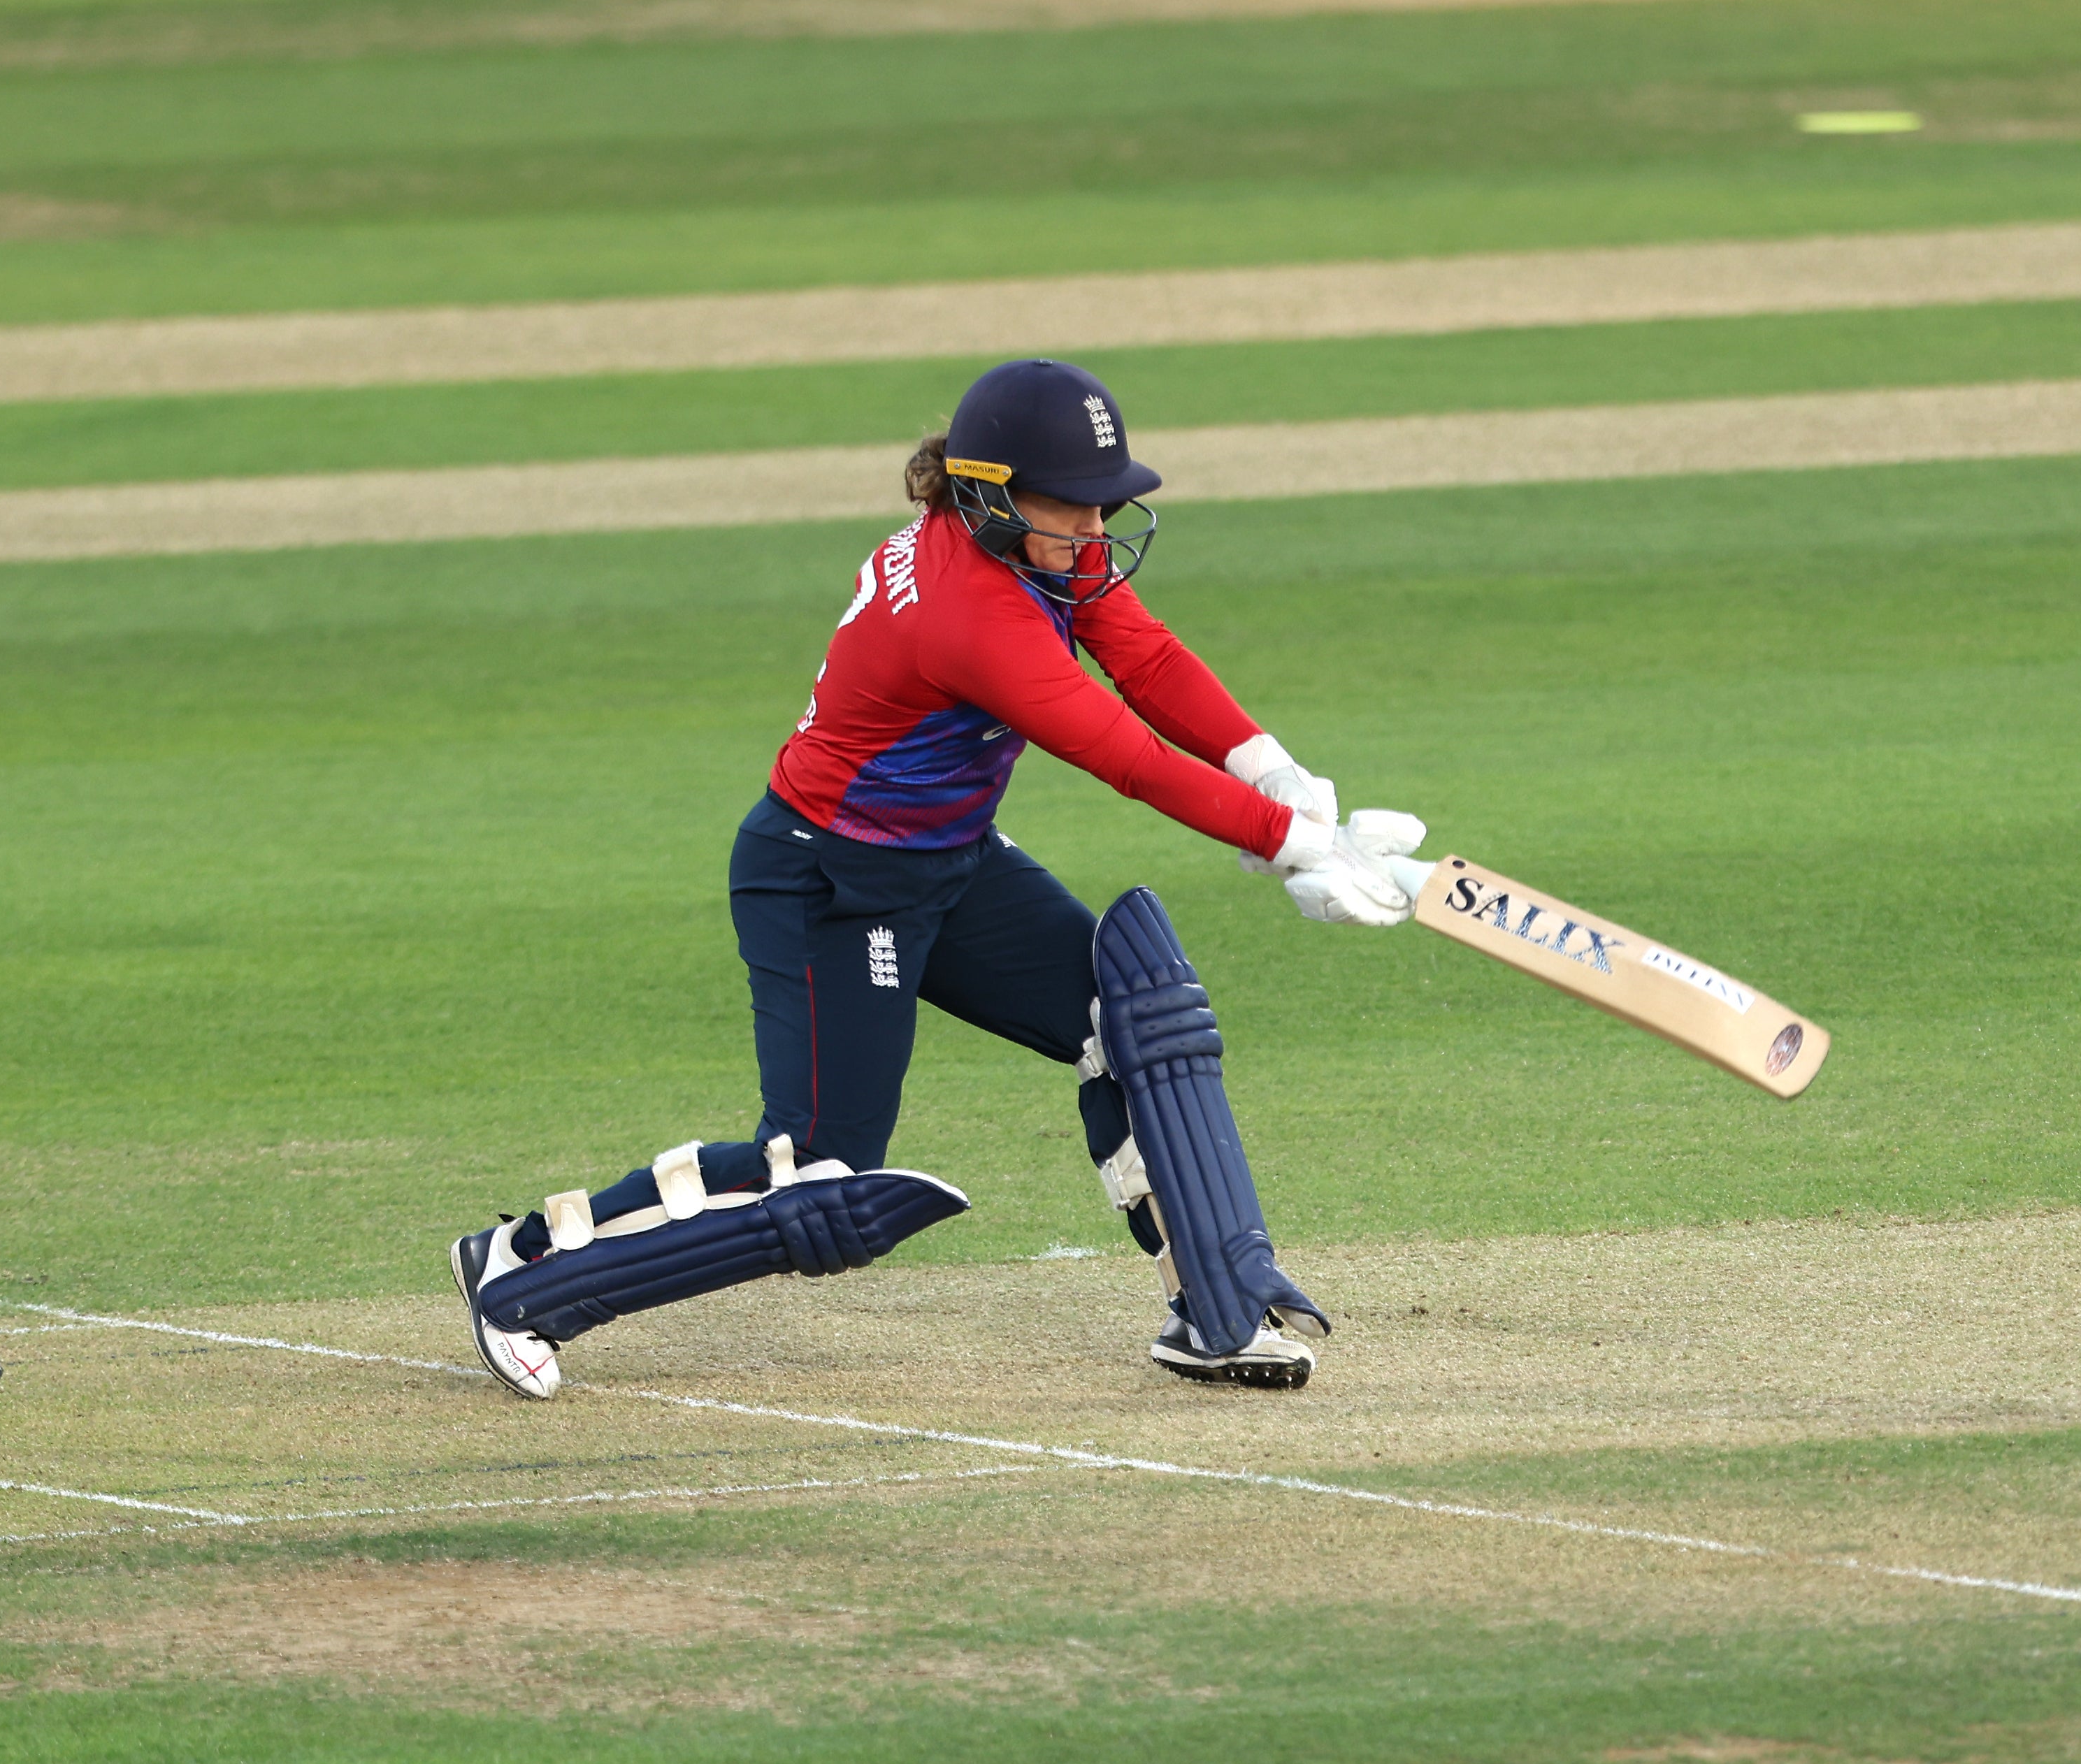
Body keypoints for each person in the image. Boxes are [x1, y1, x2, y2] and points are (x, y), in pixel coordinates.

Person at [449, 358, 1430, 1399]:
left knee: (1131, 1018)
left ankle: (1216, 1305)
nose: (1097, 532)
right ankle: (525, 1266)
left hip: (953, 863)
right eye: (1073, 509)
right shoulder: (971, 611)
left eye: (1106, 506)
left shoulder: (1034, 556)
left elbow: (1146, 659)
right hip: (831, 881)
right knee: (820, 1171)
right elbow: (1123, 756)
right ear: (991, 495)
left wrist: (1270, 770)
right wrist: (1292, 846)